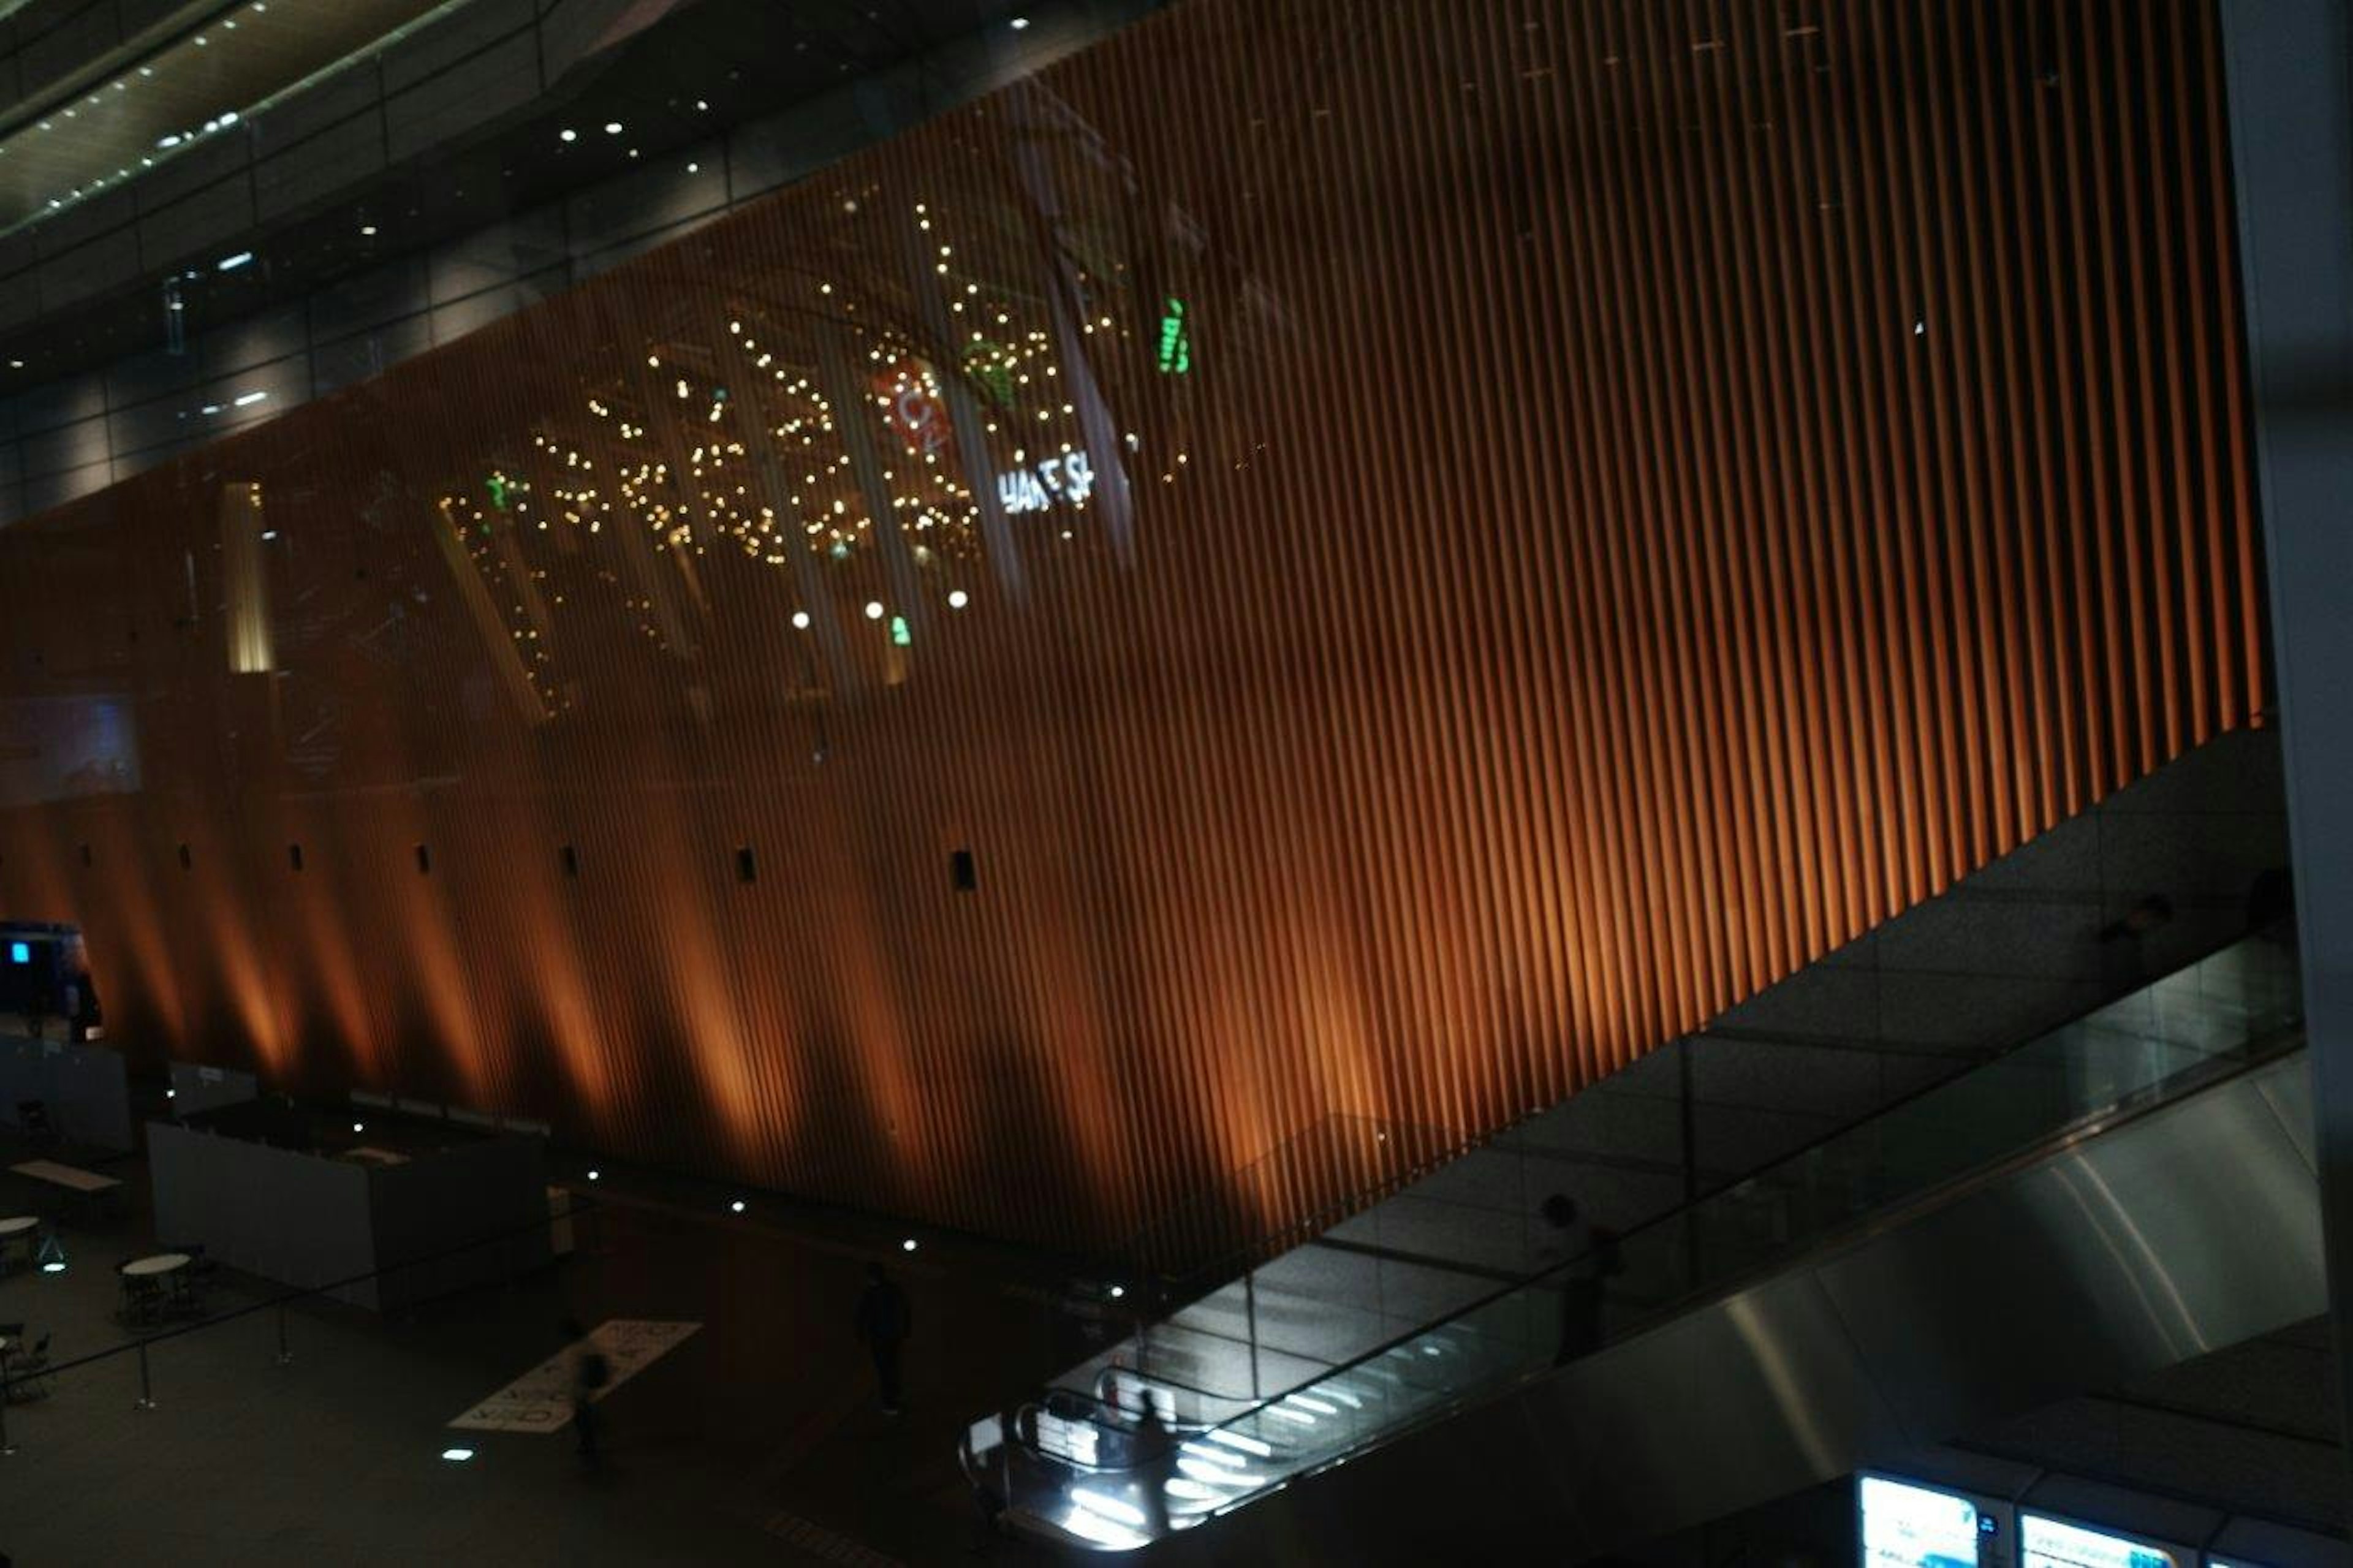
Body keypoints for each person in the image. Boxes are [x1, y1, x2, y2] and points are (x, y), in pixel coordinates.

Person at [1539, 1194, 1614, 1366]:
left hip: (1582, 1285)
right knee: (1586, 1326)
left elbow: (1576, 1260)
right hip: (1588, 1284)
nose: (1551, 1224)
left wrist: (1554, 1256)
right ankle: (1585, 1358)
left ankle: (1570, 1360)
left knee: (1576, 1325)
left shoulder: (1577, 1230)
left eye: (1552, 1218)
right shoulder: (1582, 1225)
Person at [854, 1262, 911, 1415]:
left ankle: (890, 1402)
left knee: (884, 1369)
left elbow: (862, 1315)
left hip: (879, 1336)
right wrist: (906, 1329)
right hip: (893, 1335)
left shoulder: (870, 1294)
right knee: (892, 1366)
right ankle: (894, 1397)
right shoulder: (894, 1289)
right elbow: (905, 1309)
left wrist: (860, 1334)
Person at [563, 1317, 610, 1463]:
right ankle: (591, 1437)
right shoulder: (589, 1344)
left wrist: (574, 1387)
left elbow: (574, 1372)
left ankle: (589, 1442)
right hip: (587, 1386)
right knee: (584, 1414)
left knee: (581, 1416)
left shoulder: (574, 1349)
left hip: (580, 1388)